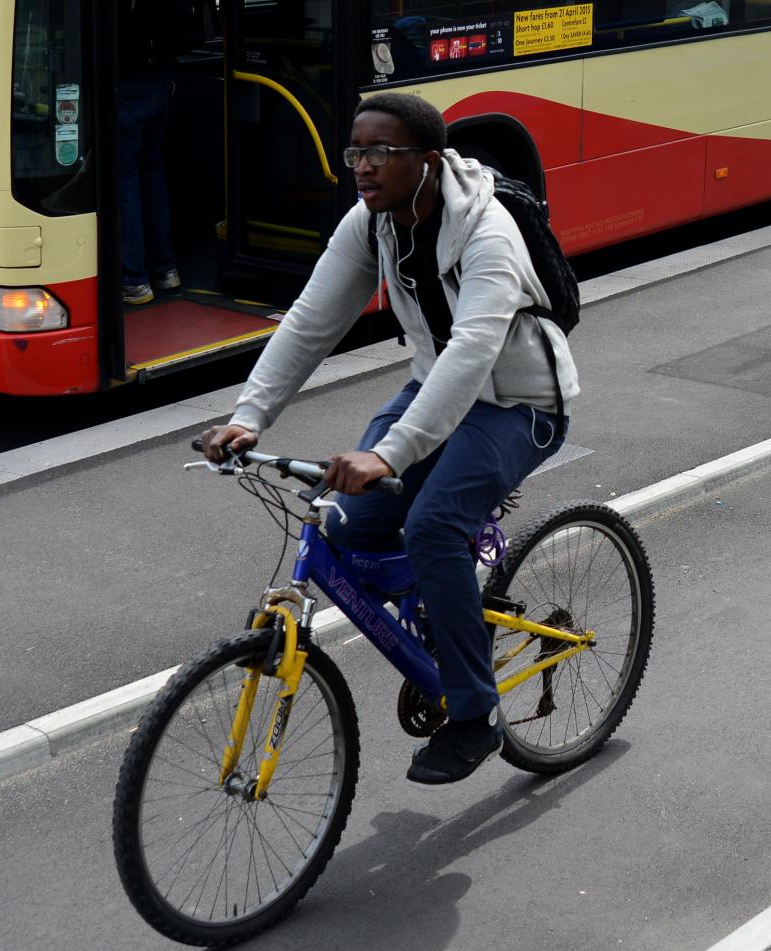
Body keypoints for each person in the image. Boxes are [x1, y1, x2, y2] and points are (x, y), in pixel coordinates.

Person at [197, 92, 578, 785]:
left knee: (432, 528)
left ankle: (476, 713)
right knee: (344, 523)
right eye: (355, 152)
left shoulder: (489, 232)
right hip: (435, 391)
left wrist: (387, 454)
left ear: (427, 162)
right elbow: (313, 318)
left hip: (517, 405)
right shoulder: (369, 223)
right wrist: (249, 417)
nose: (363, 167)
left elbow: (473, 351)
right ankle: (442, 601)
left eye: (381, 152)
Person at [116, 0, 204, 304]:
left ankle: (134, 279)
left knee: (125, 180)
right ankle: (165, 269)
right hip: (161, 81)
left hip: (125, 84)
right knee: (152, 174)